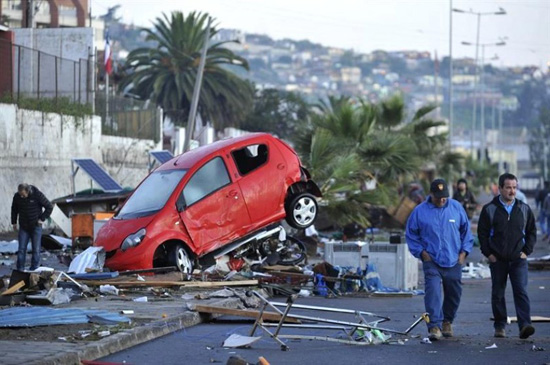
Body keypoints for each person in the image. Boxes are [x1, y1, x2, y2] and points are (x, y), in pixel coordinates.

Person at [406, 178, 473, 341]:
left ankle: (447, 321)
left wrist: (463, 253)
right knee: (433, 293)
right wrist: (422, 254)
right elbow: (411, 234)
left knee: (454, 293)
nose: (442, 200)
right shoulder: (419, 211)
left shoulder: (456, 208)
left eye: (444, 197)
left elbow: (466, 232)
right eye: (438, 197)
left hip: (454, 260)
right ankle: (434, 326)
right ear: (431, 194)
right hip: (432, 261)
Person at [477, 173, 536, 339]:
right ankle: (500, 326)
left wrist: (526, 252)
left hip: (518, 259)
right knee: (498, 293)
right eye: (508, 187)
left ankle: (524, 325)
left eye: (514, 187)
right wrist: (489, 254)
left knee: (521, 291)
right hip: (498, 260)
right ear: (500, 188)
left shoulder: (523, 209)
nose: (512, 191)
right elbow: (482, 234)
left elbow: (532, 231)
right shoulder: (489, 209)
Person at [11, 183, 53, 271]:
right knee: (21, 249)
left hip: (36, 226)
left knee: (36, 249)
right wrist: (14, 222)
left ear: (28, 191)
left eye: (23, 195)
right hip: (24, 226)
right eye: (20, 195)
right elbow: (14, 209)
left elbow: (49, 206)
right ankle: (20, 269)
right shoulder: (17, 196)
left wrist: (42, 218)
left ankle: (34, 269)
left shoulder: (37, 195)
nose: (21, 196)